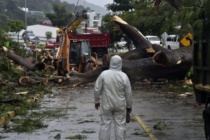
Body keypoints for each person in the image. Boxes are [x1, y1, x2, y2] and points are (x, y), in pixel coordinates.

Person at [94, 55, 132, 140]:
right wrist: (129, 107)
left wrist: (97, 101)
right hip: (120, 105)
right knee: (120, 126)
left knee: (105, 125)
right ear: (120, 63)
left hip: (106, 105)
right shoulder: (124, 76)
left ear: (110, 63)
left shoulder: (104, 74)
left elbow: (97, 89)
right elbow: (128, 93)